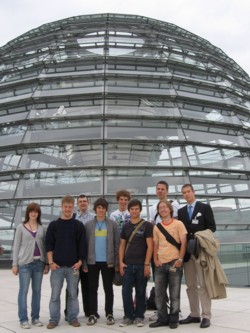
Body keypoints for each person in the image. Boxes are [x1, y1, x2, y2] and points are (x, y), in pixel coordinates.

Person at [178, 184, 216, 329]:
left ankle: (206, 315)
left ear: (194, 192)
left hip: (200, 252)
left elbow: (212, 227)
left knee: (203, 284)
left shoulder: (204, 208)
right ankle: (194, 314)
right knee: (191, 285)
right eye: (184, 193)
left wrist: (199, 237)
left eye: (188, 192)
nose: (186, 194)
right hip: (187, 253)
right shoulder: (181, 212)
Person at [45, 195, 87, 329]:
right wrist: (51, 262)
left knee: (73, 295)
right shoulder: (54, 225)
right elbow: (49, 245)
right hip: (57, 267)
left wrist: (80, 261)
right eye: (65, 207)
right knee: (55, 295)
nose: (68, 209)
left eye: (70, 207)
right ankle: (54, 319)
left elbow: (82, 245)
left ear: (73, 207)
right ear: (61, 207)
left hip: (73, 267)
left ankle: (72, 318)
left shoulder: (78, 225)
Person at [149, 200, 187, 329]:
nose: (163, 209)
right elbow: (155, 245)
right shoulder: (157, 227)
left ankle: (174, 319)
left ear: (170, 209)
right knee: (159, 294)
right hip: (160, 264)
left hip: (174, 262)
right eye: (160, 208)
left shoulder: (178, 224)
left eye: (165, 207)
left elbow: (184, 242)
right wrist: (155, 259)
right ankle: (162, 318)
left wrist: (180, 259)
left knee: (174, 293)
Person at [12, 203, 49, 329]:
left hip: (39, 263)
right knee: (23, 291)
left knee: (37, 292)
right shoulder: (20, 228)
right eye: (31, 211)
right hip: (25, 264)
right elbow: (16, 246)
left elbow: (45, 246)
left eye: (36, 212)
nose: (33, 213)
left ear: (38, 214)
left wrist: (47, 263)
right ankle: (23, 319)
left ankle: (35, 317)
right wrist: (14, 264)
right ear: (28, 213)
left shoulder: (42, 228)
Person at [84, 197, 120, 326]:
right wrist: (84, 263)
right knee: (92, 288)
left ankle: (109, 313)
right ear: (95, 209)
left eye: (103, 208)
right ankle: (92, 313)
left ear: (106, 210)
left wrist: (116, 263)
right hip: (92, 262)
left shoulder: (112, 224)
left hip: (108, 262)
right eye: (99, 208)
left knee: (108, 288)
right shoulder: (88, 225)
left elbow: (117, 244)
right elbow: (84, 245)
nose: (101, 210)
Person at [119, 199, 153, 327]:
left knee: (140, 291)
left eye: (136, 209)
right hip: (127, 265)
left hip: (141, 265)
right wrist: (121, 262)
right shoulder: (126, 226)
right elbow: (122, 246)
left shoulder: (147, 225)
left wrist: (146, 264)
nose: (134, 211)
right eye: (132, 209)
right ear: (129, 210)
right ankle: (128, 316)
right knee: (126, 291)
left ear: (140, 210)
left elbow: (150, 246)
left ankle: (139, 316)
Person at [64, 194, 95, 319]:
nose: (82, 203)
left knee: (88, 286)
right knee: (72, 287)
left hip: (89, 257)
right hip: (75, 258)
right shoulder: (72, 217)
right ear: (77, 204)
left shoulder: (94, 218)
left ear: (88, 203)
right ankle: (69, 311)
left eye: (84, 201)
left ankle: (89, 311)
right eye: (80, 201)